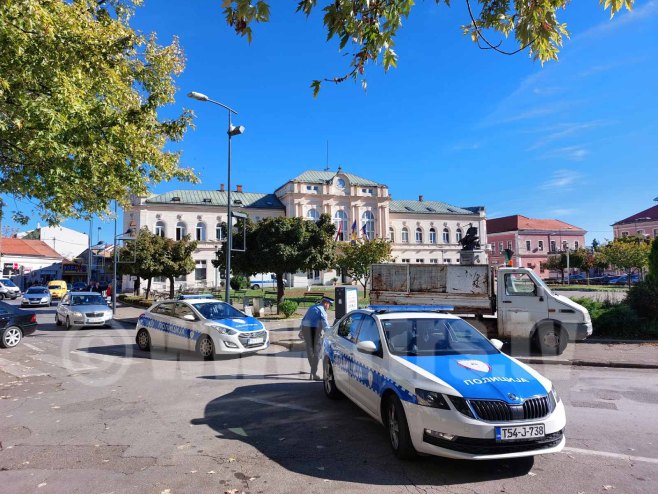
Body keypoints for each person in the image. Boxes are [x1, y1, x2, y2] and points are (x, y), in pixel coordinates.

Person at [300, 296, 334, 381]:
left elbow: (304, 319)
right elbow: (325, 325)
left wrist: (301, 331)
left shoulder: (312, 307)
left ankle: (312, 369)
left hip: (305, 329)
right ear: (326, 303)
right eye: (329, 305)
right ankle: (314, 373)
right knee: (317, 352)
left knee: (310, 350)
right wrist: (331, 335)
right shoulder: (322, 311)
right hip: (314, 331)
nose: (329, 307)